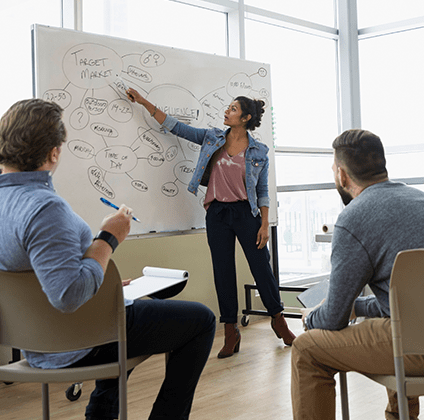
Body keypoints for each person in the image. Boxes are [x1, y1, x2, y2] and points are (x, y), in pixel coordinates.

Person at [0, 98, 216, 420]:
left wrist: (102, 280)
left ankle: (101, 414)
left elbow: (27, 270)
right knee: (201, 320)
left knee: (123, 310)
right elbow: (68, 296)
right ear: (54, 152)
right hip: (73, 341)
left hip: (34, 342)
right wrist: (109, 238)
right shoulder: (43, 208)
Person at [126, 88, 295, 359]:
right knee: (223, 271)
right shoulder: (212, 137)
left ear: (245, 118)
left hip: (246, 214)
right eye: (228, 108)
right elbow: (176, 127)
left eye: (233, 109)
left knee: (261, 268)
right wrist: (145, 102)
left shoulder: (259, 151)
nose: (227, 111)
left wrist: (264, 223)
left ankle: (278, 320)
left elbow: (263, 190)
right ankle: (230, 330)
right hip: (217, 214)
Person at [291, 129, 424, 420]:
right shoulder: (420, 200)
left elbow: (332, 318)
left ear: (341, 175)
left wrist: (311, 317)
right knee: (390, 321)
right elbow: (408, 298)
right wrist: (359, 306)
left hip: (417, 346)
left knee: (307, 349)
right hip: (416, 329)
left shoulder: (354, 219)